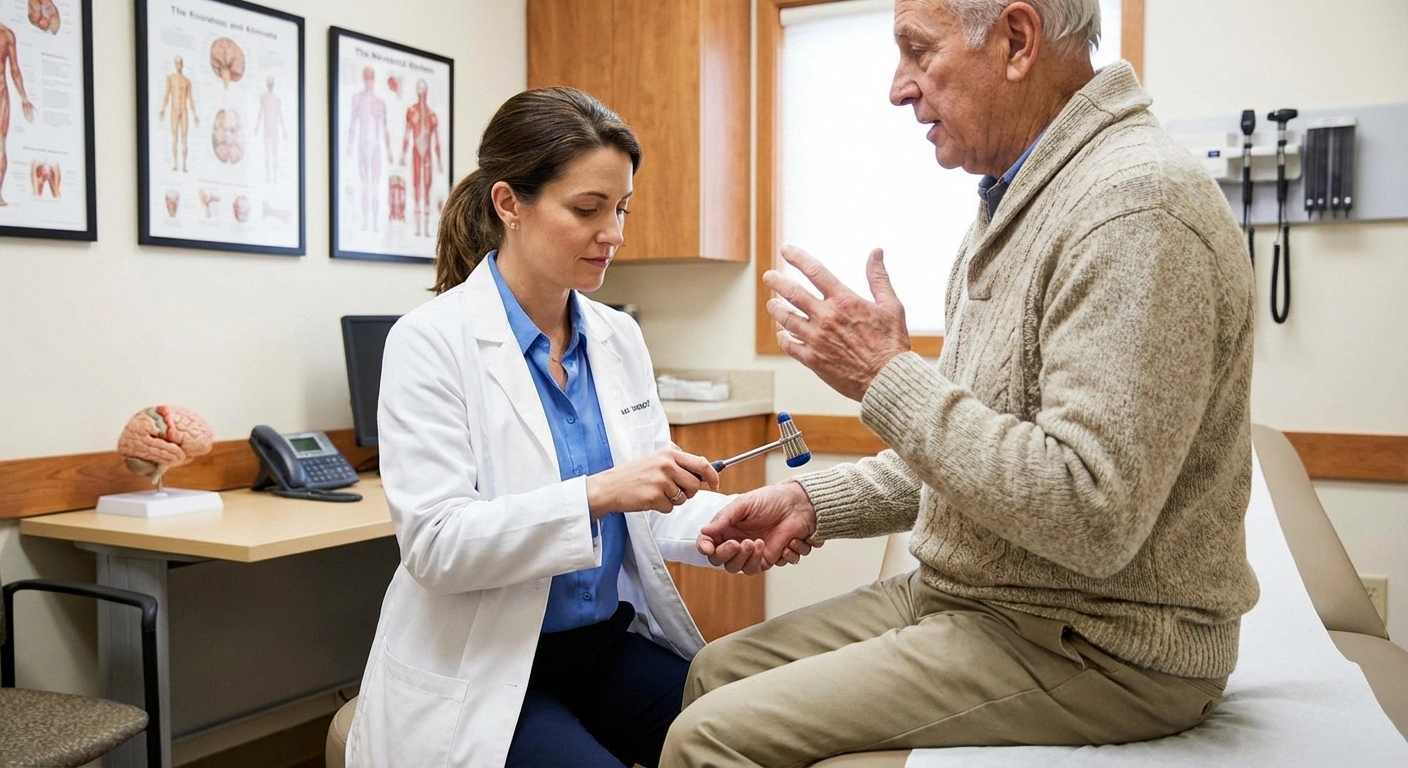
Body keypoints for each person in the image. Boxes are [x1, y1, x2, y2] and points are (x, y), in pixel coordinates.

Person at [668, 1, 1258, 765]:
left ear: (1017, 41)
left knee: (705, 739)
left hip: (1097, 642)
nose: (897, 88)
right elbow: (967, 454)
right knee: (713, 672)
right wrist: (811, 501)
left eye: (918, 51)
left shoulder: (1135, 207)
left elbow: (1091, 511)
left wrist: (886, 376)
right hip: (980, 599)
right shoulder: (1017, 203)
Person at [343, 87, 786, 768]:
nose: (614, 232)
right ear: (509, 203)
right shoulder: (430, 341)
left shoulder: (617, 337)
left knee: (753, 739)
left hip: (602, 646)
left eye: (621, 208)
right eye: (588, 209)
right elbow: (435, 545)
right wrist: (597, 493)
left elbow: (648, 506)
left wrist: (723, 526)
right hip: (486, 663)